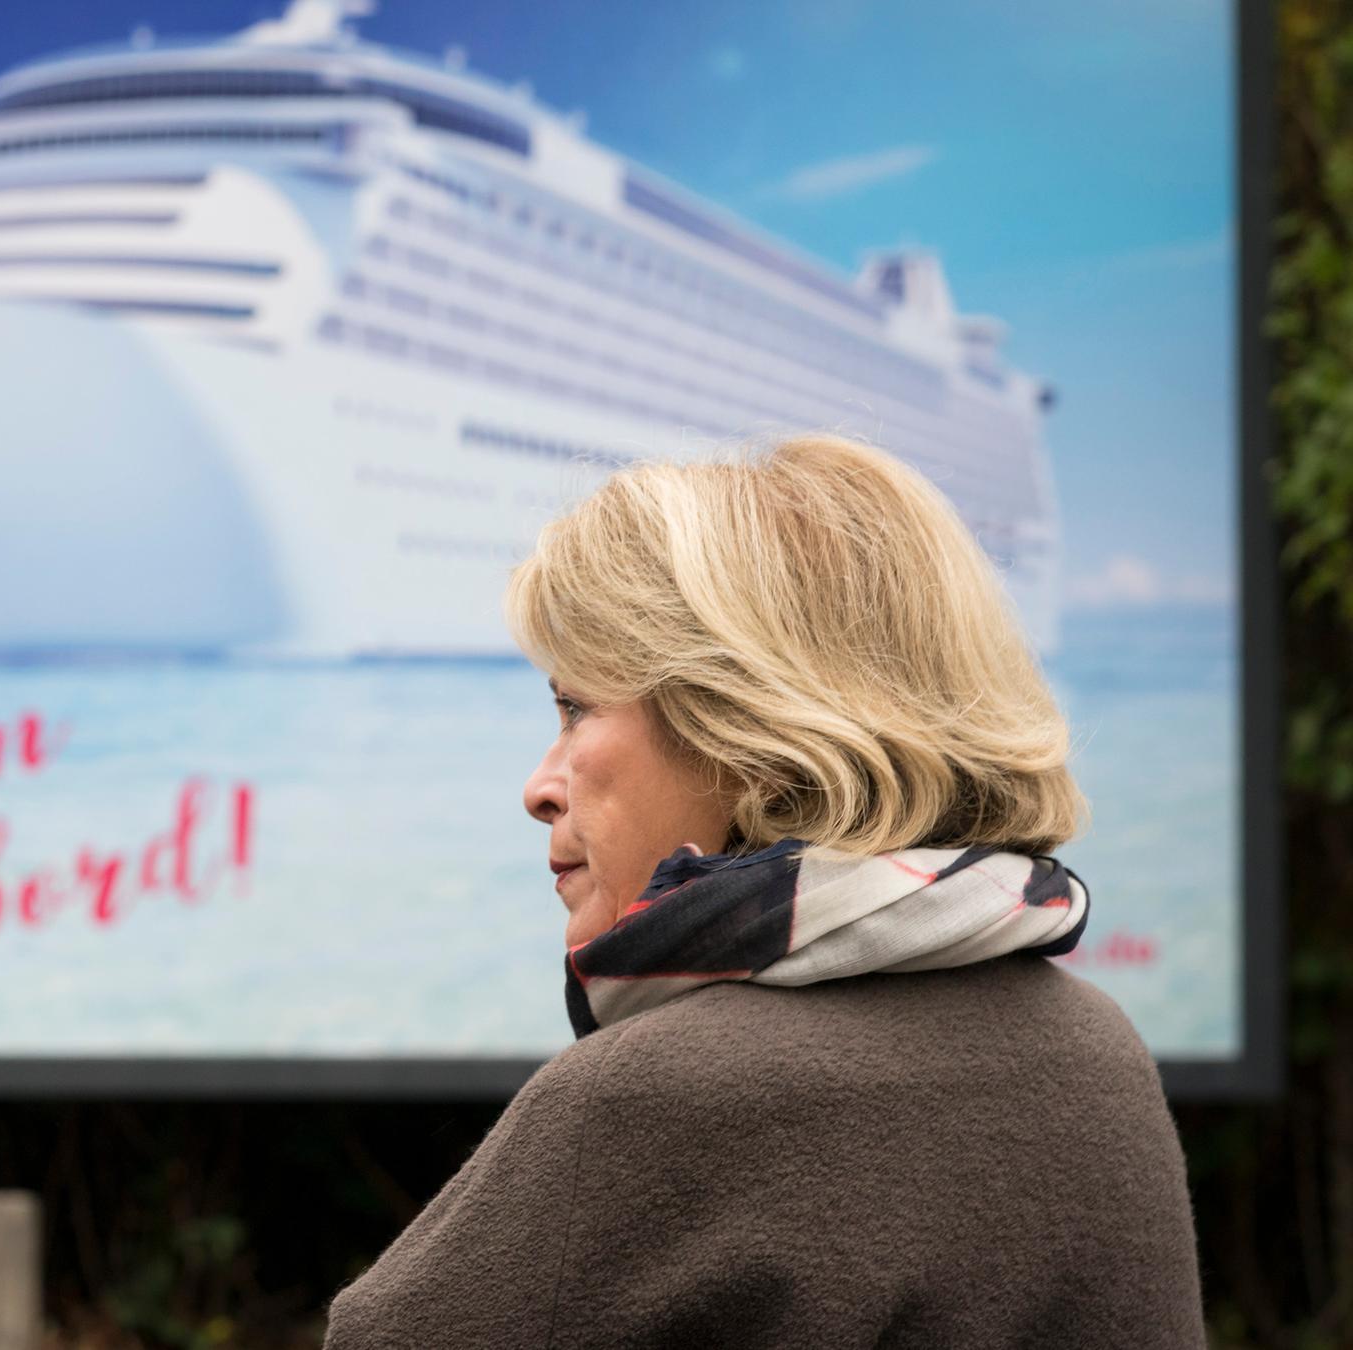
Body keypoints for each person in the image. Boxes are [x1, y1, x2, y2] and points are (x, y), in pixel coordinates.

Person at [324, 435, 1202, 1348]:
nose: (540, 784)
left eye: (576, 706)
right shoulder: (1097, 1051)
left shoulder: (655, 1100)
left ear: (744, 728)